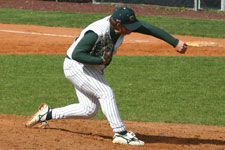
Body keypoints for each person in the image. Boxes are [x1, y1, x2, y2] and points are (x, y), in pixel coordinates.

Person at [25, 6, 187, 146]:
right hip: (76, 67)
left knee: (89, 109)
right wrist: (100, 60)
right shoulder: (97, 32)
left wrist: (174, 42)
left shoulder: (123, 25)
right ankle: (120, 133)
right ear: (118, 24)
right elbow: (76, 54)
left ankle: (46, 114)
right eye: (129, 26)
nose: (132, 29)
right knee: (105, 93)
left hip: (90, 69)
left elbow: (148, 28)